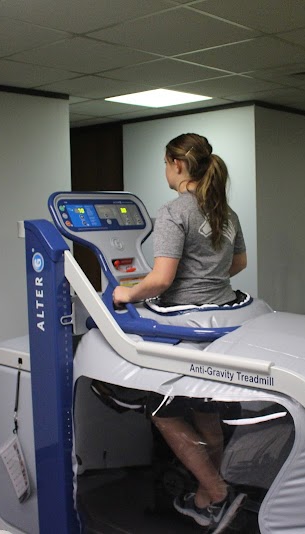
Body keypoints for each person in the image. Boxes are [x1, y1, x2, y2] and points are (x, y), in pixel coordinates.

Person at [113, 133, 247, 533]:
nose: (165, 170)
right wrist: (207, 278)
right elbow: (238, 264)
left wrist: (126, 293)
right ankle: (209, 495)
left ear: (177, 165)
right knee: (206, 409)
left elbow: (161, 280)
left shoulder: (173, 212)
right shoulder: (226, 211)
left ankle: (215, 491)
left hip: (184, 325)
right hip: (219, 320)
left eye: (165, 163)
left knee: (163, 411)